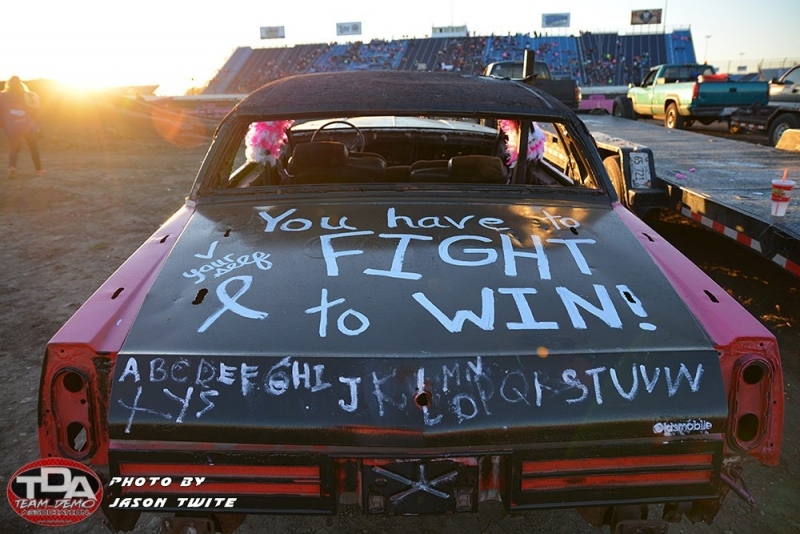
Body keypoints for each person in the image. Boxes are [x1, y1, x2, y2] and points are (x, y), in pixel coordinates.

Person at [0, 76, 44, 178]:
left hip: (11, 125)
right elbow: (35, 109)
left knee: (14, 148)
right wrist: (38, 124)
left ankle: (12, 168)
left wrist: (2, 124)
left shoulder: (1, 96)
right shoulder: (28, 95)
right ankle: (38, 170)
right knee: (33, 147)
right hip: (27, 124)